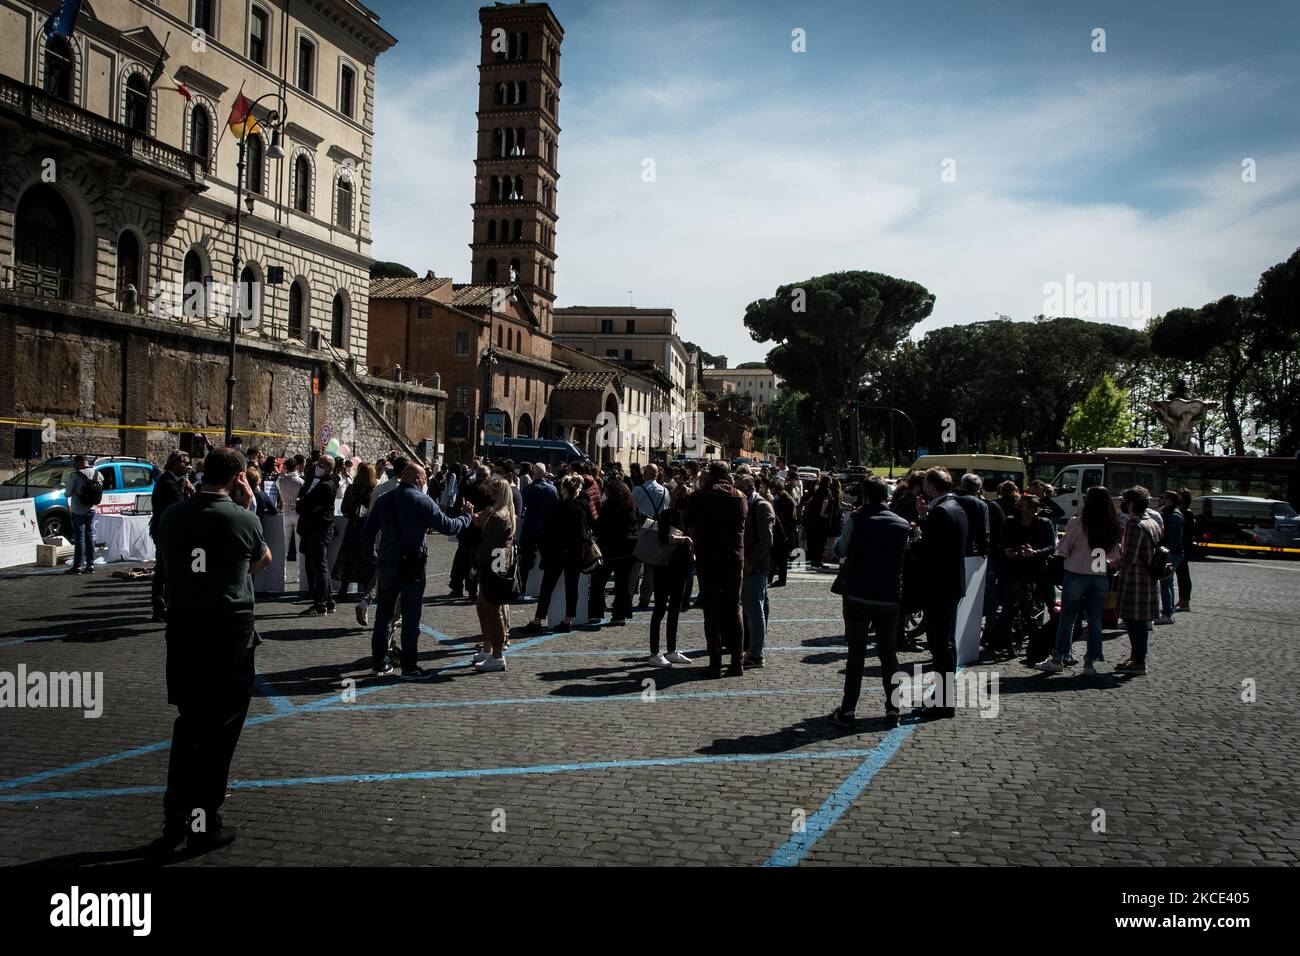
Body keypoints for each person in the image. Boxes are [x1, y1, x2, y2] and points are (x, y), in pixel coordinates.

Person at [150, 447, 271, 856]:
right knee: (221, 729)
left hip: (184, 628)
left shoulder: (173, 515)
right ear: (238, 478)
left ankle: (175, 818)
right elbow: (261, 561)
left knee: (189, 725)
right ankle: (204, 822)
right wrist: (248, 504)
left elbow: (167, 559)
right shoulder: (243, 518)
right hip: (228, 629)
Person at [360, 464, 479, 679]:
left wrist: (372, 558)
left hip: (388, 562)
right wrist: (467, 517)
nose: (425, 482)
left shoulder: (384, 499)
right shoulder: (421, 500)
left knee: (384, 615)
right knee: (411, 616)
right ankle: (409, 667)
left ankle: (379, 663)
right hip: (412, 563)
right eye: (423, 478)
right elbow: (448, 526)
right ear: (417, 478)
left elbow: (366, 533)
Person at [826, 475, 912, 728]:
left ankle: (849, 709)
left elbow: (841, 549)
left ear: (864, 495)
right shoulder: (902, 524)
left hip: (858, 593)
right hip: (888, 594)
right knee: (889, 655)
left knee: (856, 654)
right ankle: (893, 708)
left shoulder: (857, 519)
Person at [1036, 486, 1121, 675]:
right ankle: (1090, 662)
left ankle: (1059, 657)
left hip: (1076, 573)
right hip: (1099, 575)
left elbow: (1064, 549)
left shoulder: (1078, 522)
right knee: (1095, 619)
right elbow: (1114, 556)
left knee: (1068, 617)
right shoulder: (1111, 525)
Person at [913, 467, 968, 719]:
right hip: (951, 583)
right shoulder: (956, 508)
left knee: (939, 645)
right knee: (945, 643)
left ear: (932, 487)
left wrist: (915, 539)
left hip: (939, 585)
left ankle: (943, 701)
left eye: (925, 484)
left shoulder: (942, 512)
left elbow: (928, 550)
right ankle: (941, 697)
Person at [685, 461, 748, 677]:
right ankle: (737, 661)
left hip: (708, 558)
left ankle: (715, 662)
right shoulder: (740, 496)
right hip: (733, 558)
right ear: (728, 475)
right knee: (734, 608)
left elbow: (688, 520)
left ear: (710, 476)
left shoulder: (700, 496)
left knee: (711, 610)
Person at [521, 475, 590, 634]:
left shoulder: (558, 507)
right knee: (572, 587)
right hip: (575, 553)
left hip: (557, 554)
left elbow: (548, 532)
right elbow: (585, 497)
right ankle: (567, 620)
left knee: (547, 588)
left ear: (563, 489)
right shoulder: (581, 506)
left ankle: (538, 620)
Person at [471, 476, 516, 672]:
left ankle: (497, 655)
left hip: (493, 565)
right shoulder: (503, 513)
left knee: (491, 609)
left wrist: (475, 566)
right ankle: (488, 648)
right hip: (499, 562)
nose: (488, 494)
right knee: (483, 605)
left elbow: (487, 545)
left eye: (491, 492)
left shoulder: (499, 517)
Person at [1115, 486, 1161, 675]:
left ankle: (1139, 660)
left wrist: (1113, 563)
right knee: (1138, 622)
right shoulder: (1152, 521)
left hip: (1136, 580)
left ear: (1132, 504)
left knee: (1134, 621)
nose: (1123, 505)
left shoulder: (1135, 524)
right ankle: (1136, 657)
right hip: (1149, 578)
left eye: (1125, 502)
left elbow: (1129, 558)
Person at [648, 483, 694, 667]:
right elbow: (664, 537)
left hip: (681, 567)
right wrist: (685, 539)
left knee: (674, 608)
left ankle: (672, 650)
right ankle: (654, 652)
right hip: (664, 566)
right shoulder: (667, 515)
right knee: (659, 608)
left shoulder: (690, 518)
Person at [149, 451, 194, 620]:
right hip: (166, 533)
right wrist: (192, 491)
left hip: (170, 531)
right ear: (174, 463)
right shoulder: (168, 482)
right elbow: (182, 506)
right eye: (184, 462)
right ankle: (161, 607)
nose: (188, 465)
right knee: (164, 570)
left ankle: (165, 605)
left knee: (167, 570)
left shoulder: (175, 482)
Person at [590, 475, 637, 625]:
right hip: (626, 551)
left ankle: (596, 612)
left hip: (608, 551)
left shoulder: (608, 508)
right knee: (622, 585)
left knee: (598, 583)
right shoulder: (630, 507)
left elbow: (599, 528)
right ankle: (619, 615)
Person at [739, 474, 775, 668]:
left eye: (740, 488)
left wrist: (750, 561)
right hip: (750, 564)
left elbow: (767, 540)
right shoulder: (748, 504)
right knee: (754, 607)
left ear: (749, 489)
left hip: (756, 566)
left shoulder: (761, 506)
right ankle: (753, 648)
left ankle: (756, 653)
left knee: (755, 610)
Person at [296, 455, 339, 616]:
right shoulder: (326, 482)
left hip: (318, 528)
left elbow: (304, 504)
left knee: (319, 567)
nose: (317, 466)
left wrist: (302, 501)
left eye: (321, 464)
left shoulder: (325, 485)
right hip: (319, 527)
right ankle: (328, 600)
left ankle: (320, 603)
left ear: (328, 467)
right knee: (322, 566)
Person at [334, 462, 378, 608]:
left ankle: (343, 588)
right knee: (366, 557)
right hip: (368, 527)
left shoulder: (352, 489)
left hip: (353, 527)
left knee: (348, 556)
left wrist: (354, 514)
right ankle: (366, 588)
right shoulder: (374, 491)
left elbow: (345, 509)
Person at [632, 463, 671, 610]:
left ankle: (627, 596)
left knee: (634, 567)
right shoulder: (665, 491)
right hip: (657, 529)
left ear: (645, 474)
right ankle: (645, 599)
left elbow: (632, 507)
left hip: (641, 529)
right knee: (650, 568)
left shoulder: (638, 490)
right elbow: (666, 510)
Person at [449, 464, 490, 600]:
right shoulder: (487, 492)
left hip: (465, 528)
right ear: (486, 477)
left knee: (461, 558)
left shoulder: (466, 487)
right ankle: (472, 589)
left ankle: (456, 586)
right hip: (479, 530)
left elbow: (456, 507)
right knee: (474, 560)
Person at [518, 463, 556, 596]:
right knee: (548, 561)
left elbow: (522, 508)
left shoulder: (528, 490)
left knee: (526, 561)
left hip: (530, 527)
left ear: (534, 474)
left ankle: (522, 588)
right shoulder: (552, 490)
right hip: (546, 529)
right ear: (545, 473)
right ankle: (546, 590)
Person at [64, 454, 103, 574]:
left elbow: (67, 494)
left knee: (79, 537)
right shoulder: (98, 474)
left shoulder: (75, 475)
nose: (74, 466)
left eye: (75, 463)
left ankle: (77, 566)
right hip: (91, 508)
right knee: (90, 536)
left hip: (78, 509)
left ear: (79, 462)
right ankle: (90, 565)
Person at [1156, 490, 1184, 626]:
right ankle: (1169, 611)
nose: (1160, 499)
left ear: (1169, 500)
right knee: (1168, 582)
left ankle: (1167, 613)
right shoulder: (1171, 513)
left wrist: (1165, 554)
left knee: (1165, 583)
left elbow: (1172, 539)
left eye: (1162, 497)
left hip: (1171, 554)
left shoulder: (1174, 516)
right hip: (1173, 553)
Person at [802, 475, 834, 569]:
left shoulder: (818, 491)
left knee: (814, 541)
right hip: (822, 521)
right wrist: (822, 513)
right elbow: (826, 501)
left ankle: (814, 560)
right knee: (821, 542)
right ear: (828, 482)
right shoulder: (827, 491)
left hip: (813, 521)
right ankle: (818, 561)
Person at [277, 458, 305, 560]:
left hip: (286, 512)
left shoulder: (281, 481)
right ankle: (299, 575)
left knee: (284, 547)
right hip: (297, 513)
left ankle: (282, 574)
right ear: (297, 467)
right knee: (299, 547)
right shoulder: (301, 481)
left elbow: (278, 483)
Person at [1176, 488, 1194, 611]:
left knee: (1183, 575)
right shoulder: (1182, 511)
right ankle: (1183, 599)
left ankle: (1185, 601)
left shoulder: (1186, 512)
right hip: (1181, 546)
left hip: (1182, 547)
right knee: (1181, 574)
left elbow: (1187, 532)